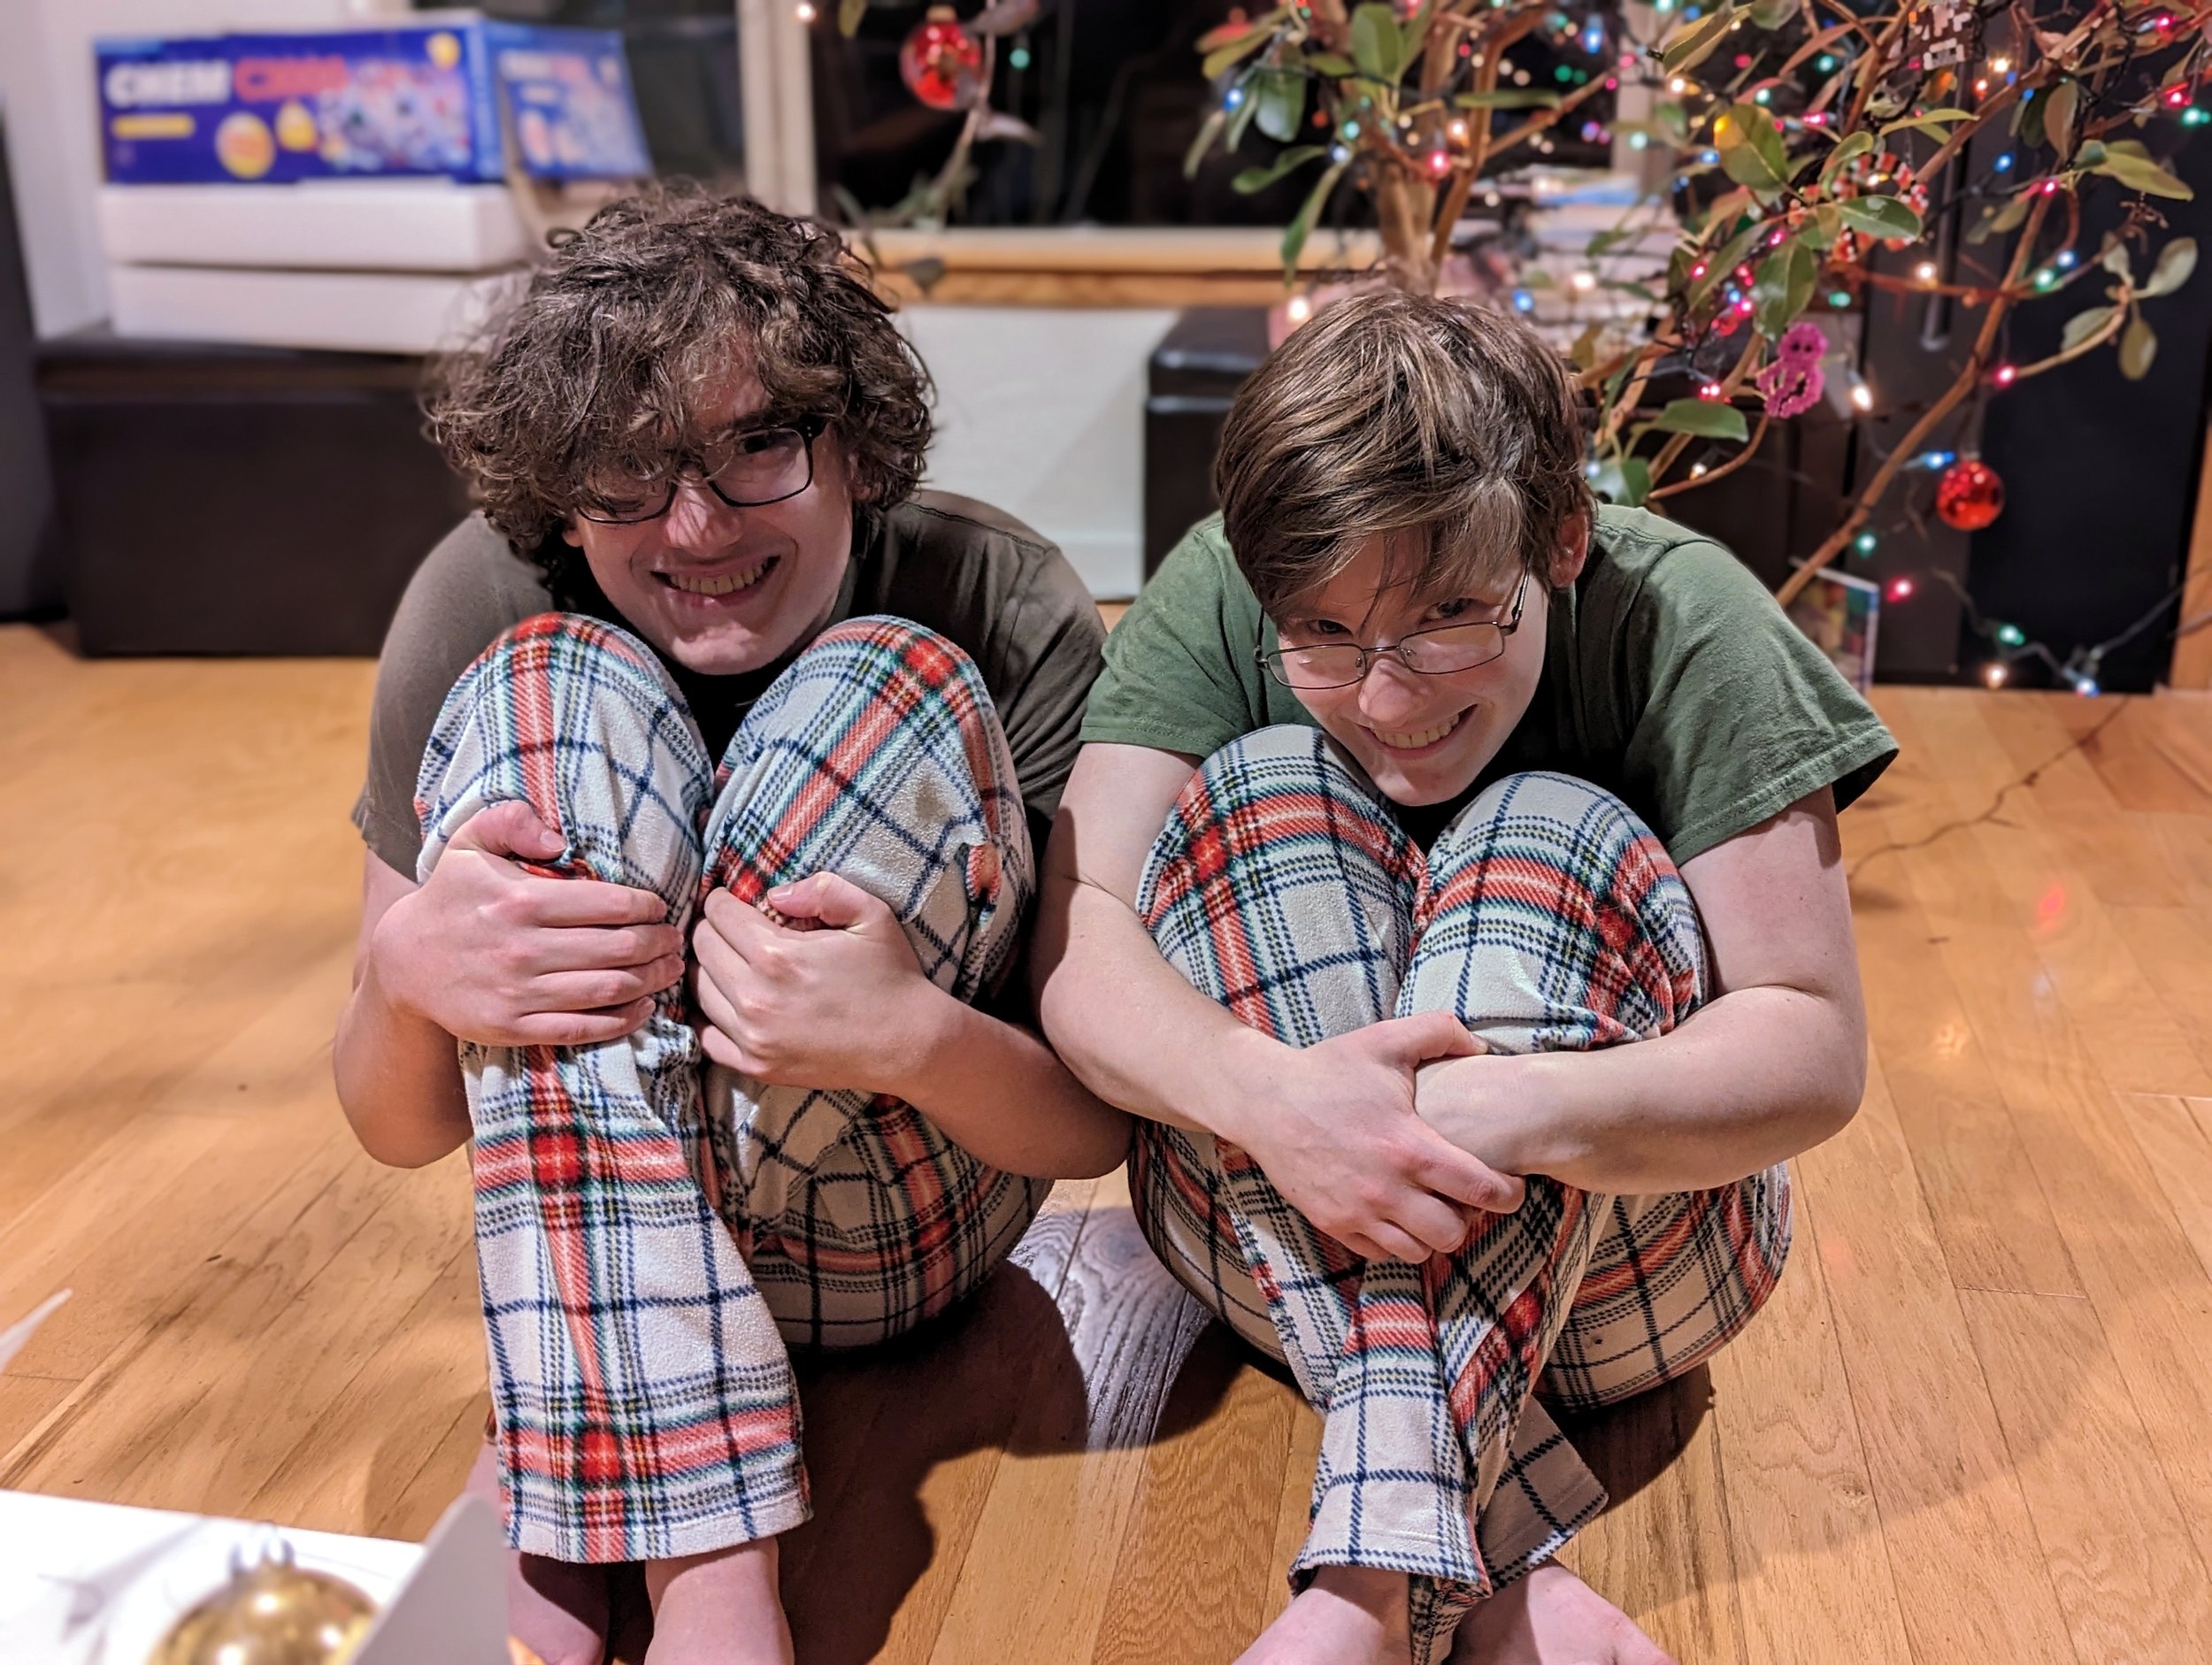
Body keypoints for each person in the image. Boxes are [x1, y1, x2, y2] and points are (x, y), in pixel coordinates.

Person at [1033, 288, 1896, 1665]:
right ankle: (1487, 1571)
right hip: (1275, 1232)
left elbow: (1812, 1048)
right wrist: (1277, 1101)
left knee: (1546, 829)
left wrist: (1487, 1112)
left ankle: (1369, 1588)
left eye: (1449, 617)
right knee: (1262, 787)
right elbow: (1078, 937)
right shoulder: (1224, 581)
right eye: (1322, 635)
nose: (1388, 700)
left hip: (1631, 1269)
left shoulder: (1690, 620)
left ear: (1563, 540)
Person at [331, 186, 1130, 1665]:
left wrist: (914, 1033)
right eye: (628, 468)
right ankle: (699, 1528)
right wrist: (405, 976)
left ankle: (596, 1457)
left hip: (895, 1224)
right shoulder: (480, 603)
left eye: (758, 444)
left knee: (875, 685)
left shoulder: (999, 596)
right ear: (559, 488)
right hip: (586, 1223)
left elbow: (1095, 1126)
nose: (694, 525)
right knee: (549, 687)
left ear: (855, 445)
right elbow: (393, 1121)